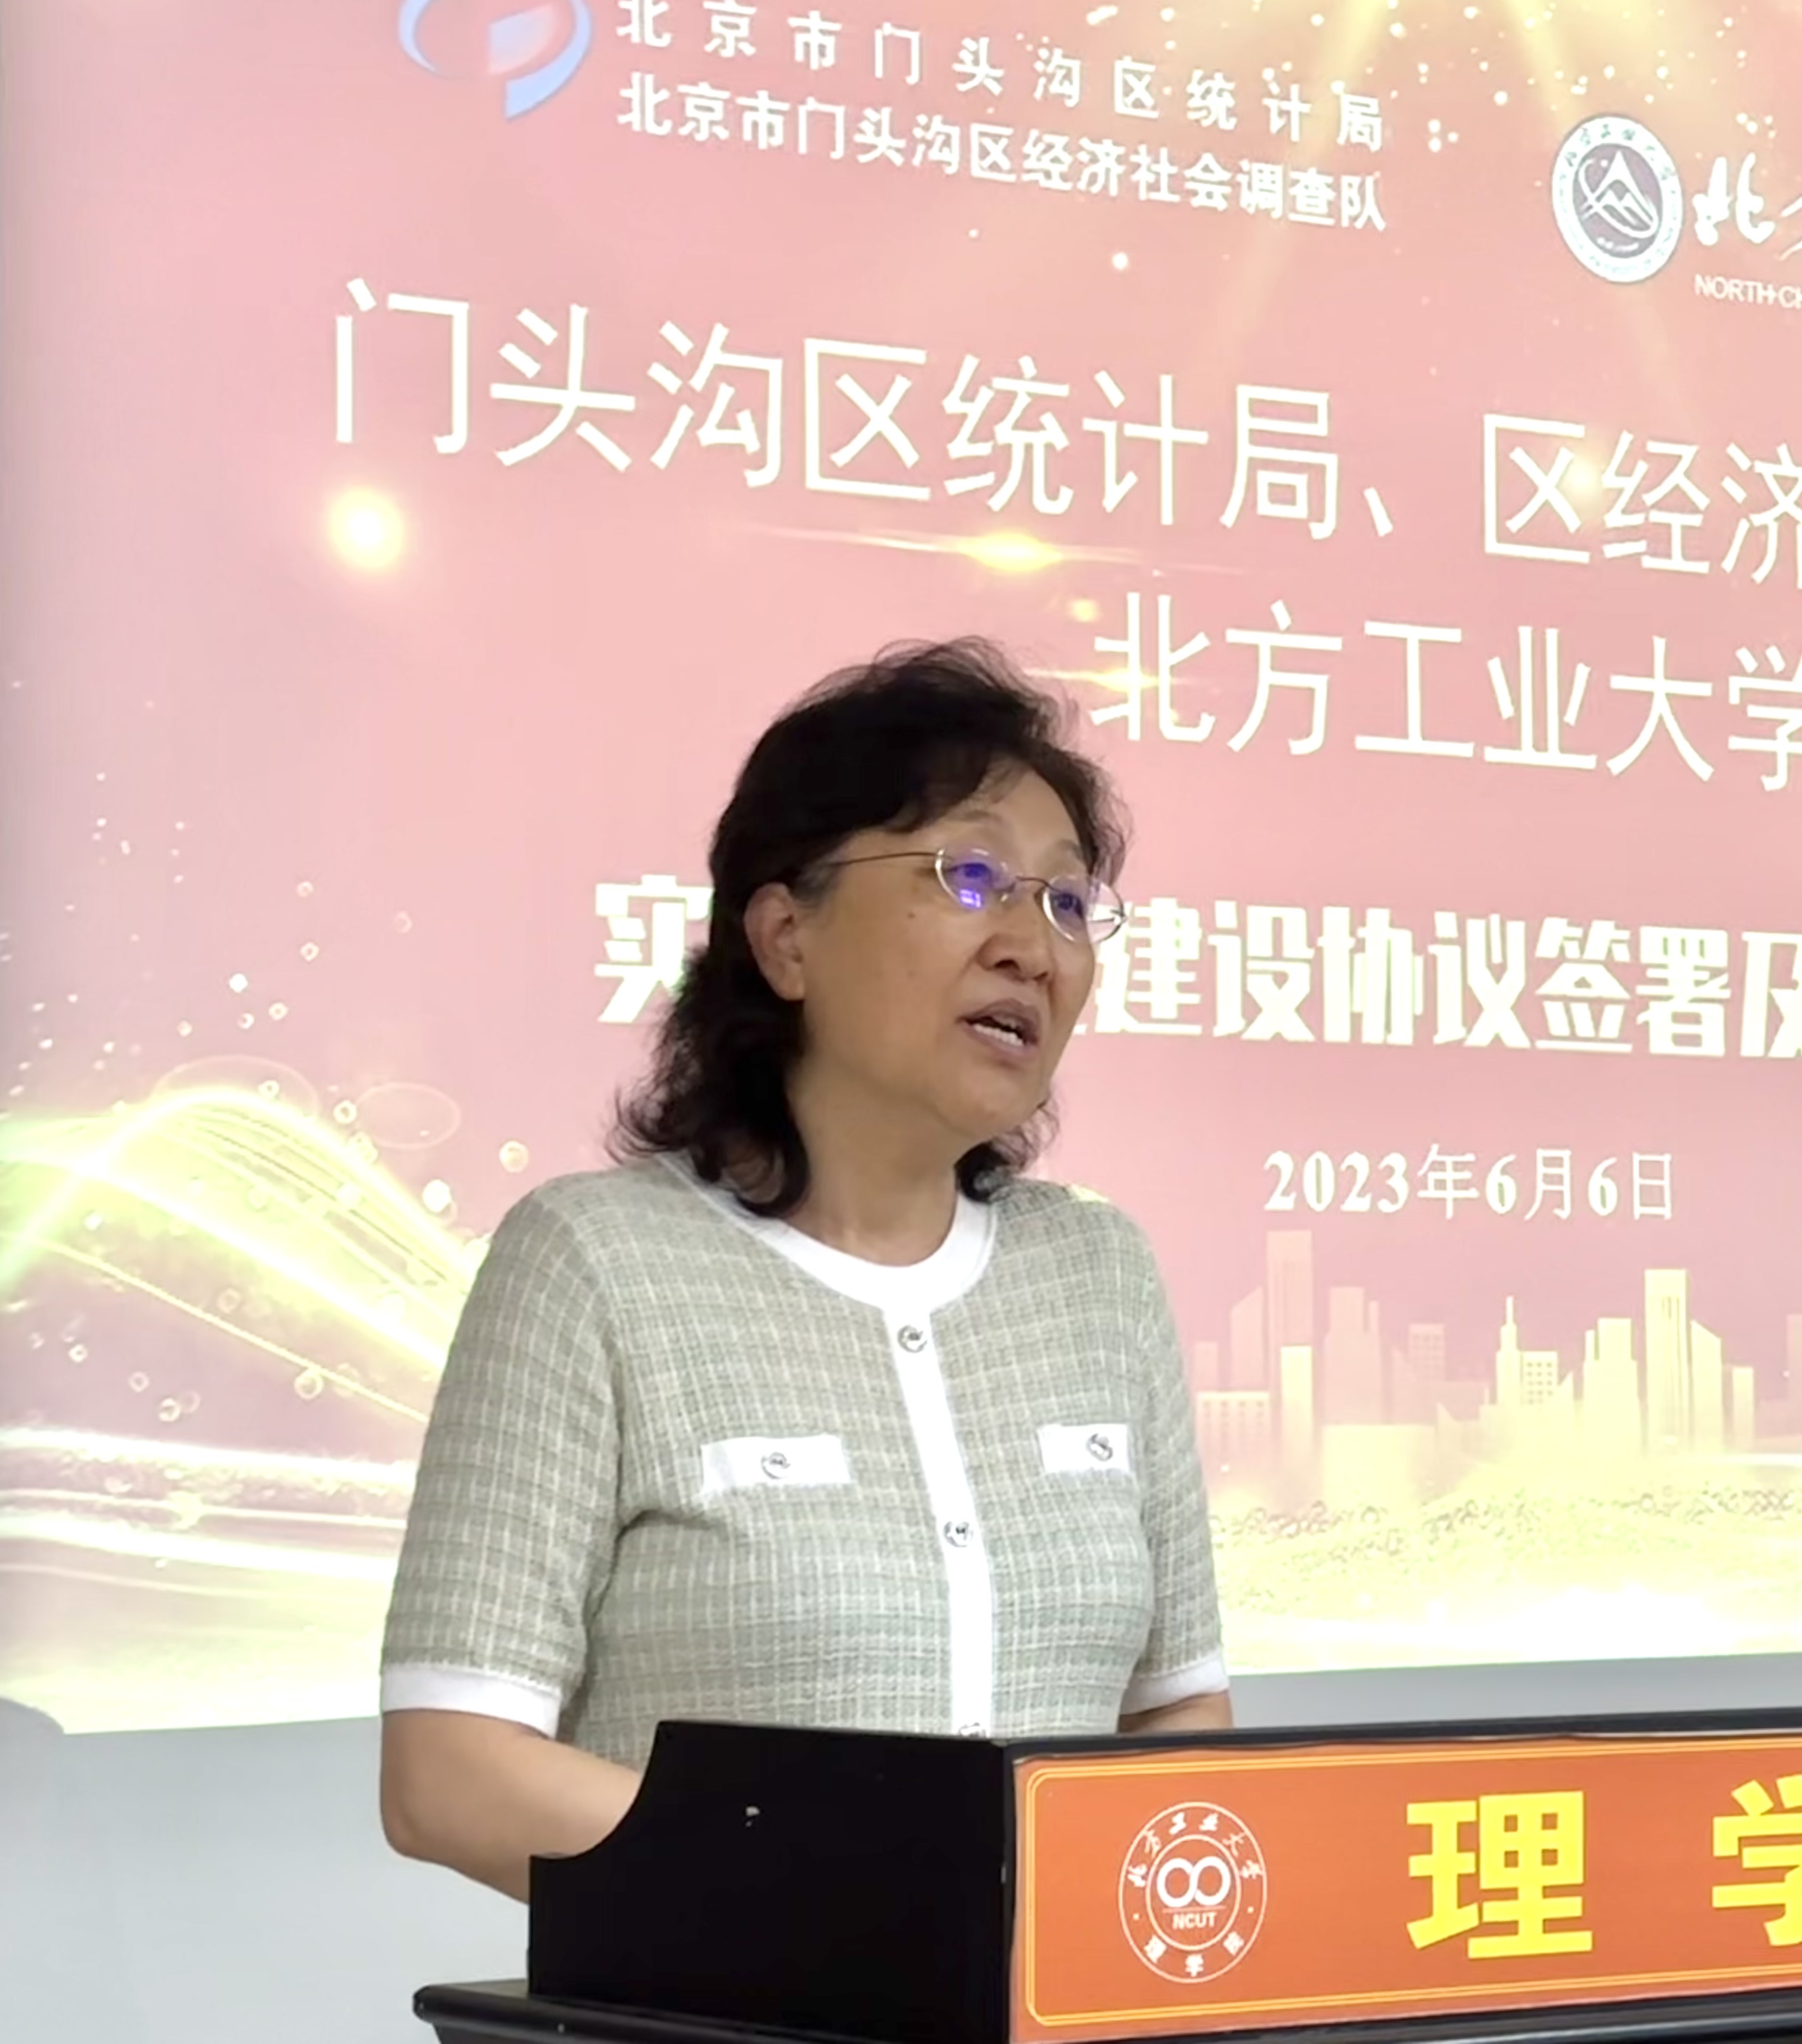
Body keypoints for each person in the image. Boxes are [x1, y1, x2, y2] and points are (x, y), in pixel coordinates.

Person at [378, 639, 1227, 1900]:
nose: (1033, 947)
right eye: (973, 874)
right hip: (733, 1997)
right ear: (784, 937)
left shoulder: (1097, 1271)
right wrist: (853, 1905)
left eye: (1065, 902)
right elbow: (453, 1772)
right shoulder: (596, 1264)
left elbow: (1176, 1717)